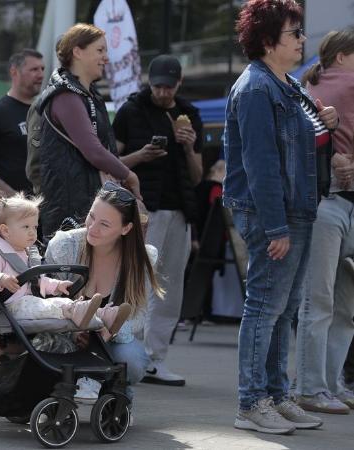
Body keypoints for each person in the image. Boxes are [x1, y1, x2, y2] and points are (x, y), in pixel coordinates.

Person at [226, 0, 336, 435]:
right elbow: (260, 164)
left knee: (283, 309)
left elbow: (302, 143)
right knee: (265, 310)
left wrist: (328, 118)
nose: (302, 40)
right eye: (294, 33)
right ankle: (251, 404)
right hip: (275, 214)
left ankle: (275, 395)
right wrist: (275, 226)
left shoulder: (284, 83)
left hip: (296, 211)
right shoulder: (256, 88)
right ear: (269, 41)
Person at [113, 54, 204, 387]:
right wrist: (141, 156)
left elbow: (197, 177)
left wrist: (191, 147)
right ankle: (130, 354)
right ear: (149, 82)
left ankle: (156, 358)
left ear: (179, 83)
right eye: (158, 85)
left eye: (169, 86)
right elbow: (111, 162)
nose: (163, 92)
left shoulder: (189, 115)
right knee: (138, 282)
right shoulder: (130, 111)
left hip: (179, 209)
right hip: (141, 209)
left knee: (170, 286)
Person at [45, 182, 161, 401]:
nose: (92, 228)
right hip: (65, 335)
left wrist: (108, 332)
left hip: (111, 341)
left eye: (105, 224)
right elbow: (46, 300)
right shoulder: (64, 246)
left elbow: (138, 316)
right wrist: (72, 330)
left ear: (126, 229)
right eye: (91, 216)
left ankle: (115, 391)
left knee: (132, 359)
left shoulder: (144, 258)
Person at [294, 27, 354, 414]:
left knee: (321, 301)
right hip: (339, 200)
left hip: (325, 201)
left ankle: (317, 386)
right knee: (339, 304)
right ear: (343, 57)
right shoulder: (347, 82)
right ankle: (322, 386)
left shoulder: (306, 83)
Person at [34, 23, 140, 239]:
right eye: (100, 50)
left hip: (86, 204)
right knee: (74, 271)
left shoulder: (84, 93)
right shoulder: (66, 95)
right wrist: (129, 175)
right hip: (71, 209)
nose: (106, 58)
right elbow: (94, 150)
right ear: (77, 52)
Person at [0, 194, 132, 338]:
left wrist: (57, 285)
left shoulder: (27, 254)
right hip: (13, 307)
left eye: (35, 227)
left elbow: (38, 281)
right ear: (6, 231)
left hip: (31, 302)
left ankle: (103, 315)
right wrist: (1, 279)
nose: (33, 233)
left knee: (63, 303)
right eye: (26, 227)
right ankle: (86, 312)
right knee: (58, 305)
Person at [0, 49, 45, 195]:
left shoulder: (45, 112)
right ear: (14, 71)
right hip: (11, 209)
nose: (40, 75)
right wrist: (10, 195)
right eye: (34, 69)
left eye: (42, 69)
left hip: (45, 205)